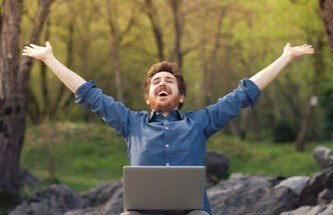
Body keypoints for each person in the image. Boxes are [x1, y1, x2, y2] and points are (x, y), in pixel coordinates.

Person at [22, 41, 315, 215]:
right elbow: (88, 94)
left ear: (181, 96)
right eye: (156, 82)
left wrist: (285, 57)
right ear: (148, 96)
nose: (162, 84)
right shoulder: (131, 123)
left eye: (169, 81)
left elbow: (244, 94)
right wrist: (49, 59)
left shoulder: (200, 122)